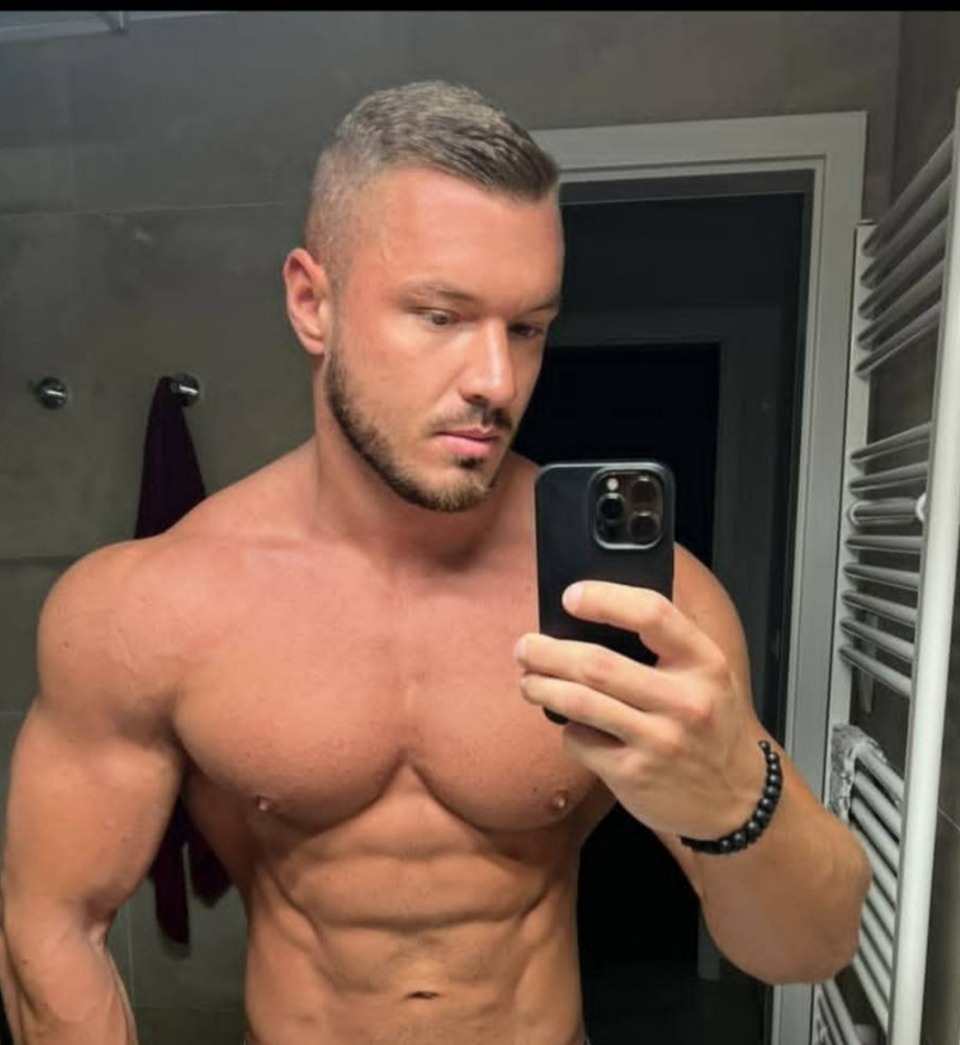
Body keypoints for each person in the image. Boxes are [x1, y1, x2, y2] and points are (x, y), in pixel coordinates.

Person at [0, 80, 869, 1045]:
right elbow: (52, 923)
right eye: (441, 315)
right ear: (312, 303)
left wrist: (737, 794)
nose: (497, 381)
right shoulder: (151, 602)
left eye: (528, 328)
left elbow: (811, 946)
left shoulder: (645, 606)